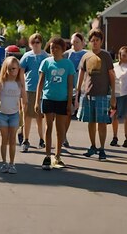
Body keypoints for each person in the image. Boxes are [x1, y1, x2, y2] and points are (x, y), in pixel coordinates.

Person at [75, 28, 116, 161]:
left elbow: (111, 75)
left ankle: (102, 149)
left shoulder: (106, 56)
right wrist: (77, 94)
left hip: (102, 95)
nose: (95, 43)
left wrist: (113, 95)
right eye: (92, 41)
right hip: (87, 95)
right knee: (90, 122)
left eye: (97, 40)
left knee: (102, 122)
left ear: (101, 41)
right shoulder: (86, 56)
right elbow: (81, 75)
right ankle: (92, 146)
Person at [35, 37, 75, 170]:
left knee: (60, 129)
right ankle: (47, 156)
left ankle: (57, 156)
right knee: (48, 127)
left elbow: (70, 85)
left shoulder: (68, 64)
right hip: (48, 98)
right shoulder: (46, 62)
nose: (54, 50)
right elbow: (40, 83)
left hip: (62, 100)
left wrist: (70, 102)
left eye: (56, 47)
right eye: (52, 47)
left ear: (62, 49)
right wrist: (37, 101)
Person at [0, 56, 27, 174]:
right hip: (2, 114)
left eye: (15, 69)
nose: (12, 71)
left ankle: (12, 163)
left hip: (14, 114)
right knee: (4, 139)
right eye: (10, 68)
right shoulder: (0, 82)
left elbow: (24, 100)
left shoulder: (19, 83)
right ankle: (4, 163)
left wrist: (23, 114)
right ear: (5, 69)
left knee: (12, 140)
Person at [19, 33, 48, 152]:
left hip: (42, 90)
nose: (36, 44)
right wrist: (22, 87)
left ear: (41, 43)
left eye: (38, 42)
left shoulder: (46, 56)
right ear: (30, 44)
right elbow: (20, 72)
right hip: (29, 88)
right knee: (27, 116)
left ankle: (42, 139)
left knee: (40, 117)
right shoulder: (27, 56)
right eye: (33, 42)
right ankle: (26, 139)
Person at [63, 32, 88, 147]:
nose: (75, 45)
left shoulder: (87, 54)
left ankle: (92, 142)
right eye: (73, 43)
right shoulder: (66, 54)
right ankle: (64, 135)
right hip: (68, 88)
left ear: (82, 43)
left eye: (77, 42)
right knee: (67, 112)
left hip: (83, 89)